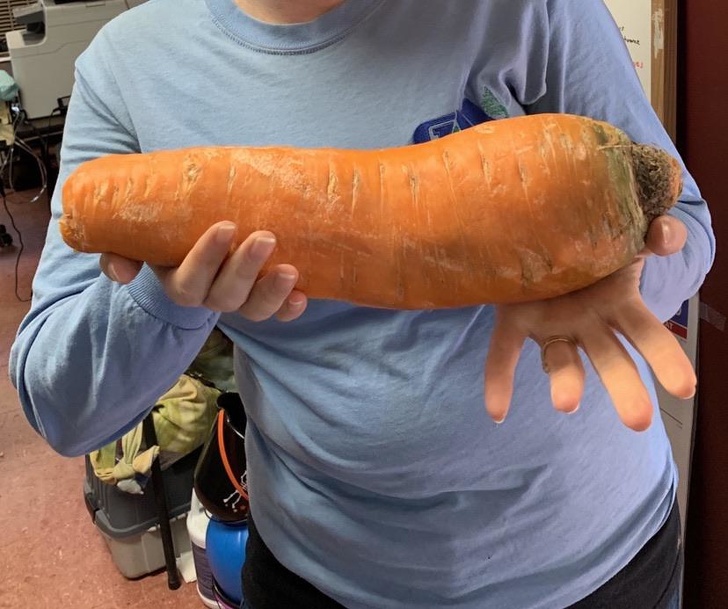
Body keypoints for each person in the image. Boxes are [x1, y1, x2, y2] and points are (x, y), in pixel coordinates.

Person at [9, 1, 715, 608]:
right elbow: (61, 405)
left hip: (597, 562)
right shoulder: (129, 69)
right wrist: (169, 297)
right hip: (328, 575)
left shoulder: (527, 9)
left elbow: (683, 221)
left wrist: (613, 281)